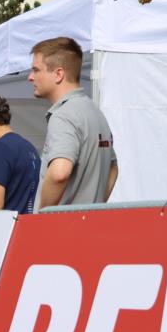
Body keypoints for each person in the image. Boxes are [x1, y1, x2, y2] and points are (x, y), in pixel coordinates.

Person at [28, 37, 118, 208]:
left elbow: (59, 173)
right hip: (88, 220)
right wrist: (94, 206)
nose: (30, 77)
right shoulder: (95, 112)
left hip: (62, 223)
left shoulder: (63, 115)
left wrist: (41, 215)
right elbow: (113, 168)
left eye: (36, 70)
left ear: (58, 74)